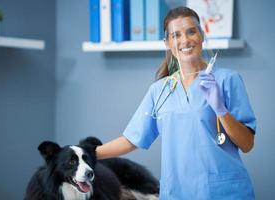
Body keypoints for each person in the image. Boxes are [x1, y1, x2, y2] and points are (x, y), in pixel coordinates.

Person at [96, 6, 256, 199]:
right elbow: (131, 139)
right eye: (176, 35)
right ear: (167, 43)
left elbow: (247, 144)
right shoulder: (160, 90)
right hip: (177, 193)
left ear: (202, 35)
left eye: (191, 31)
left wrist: (220, 109)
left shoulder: (227, 80)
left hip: (223, 193)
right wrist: (85, 153)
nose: (185, 40)